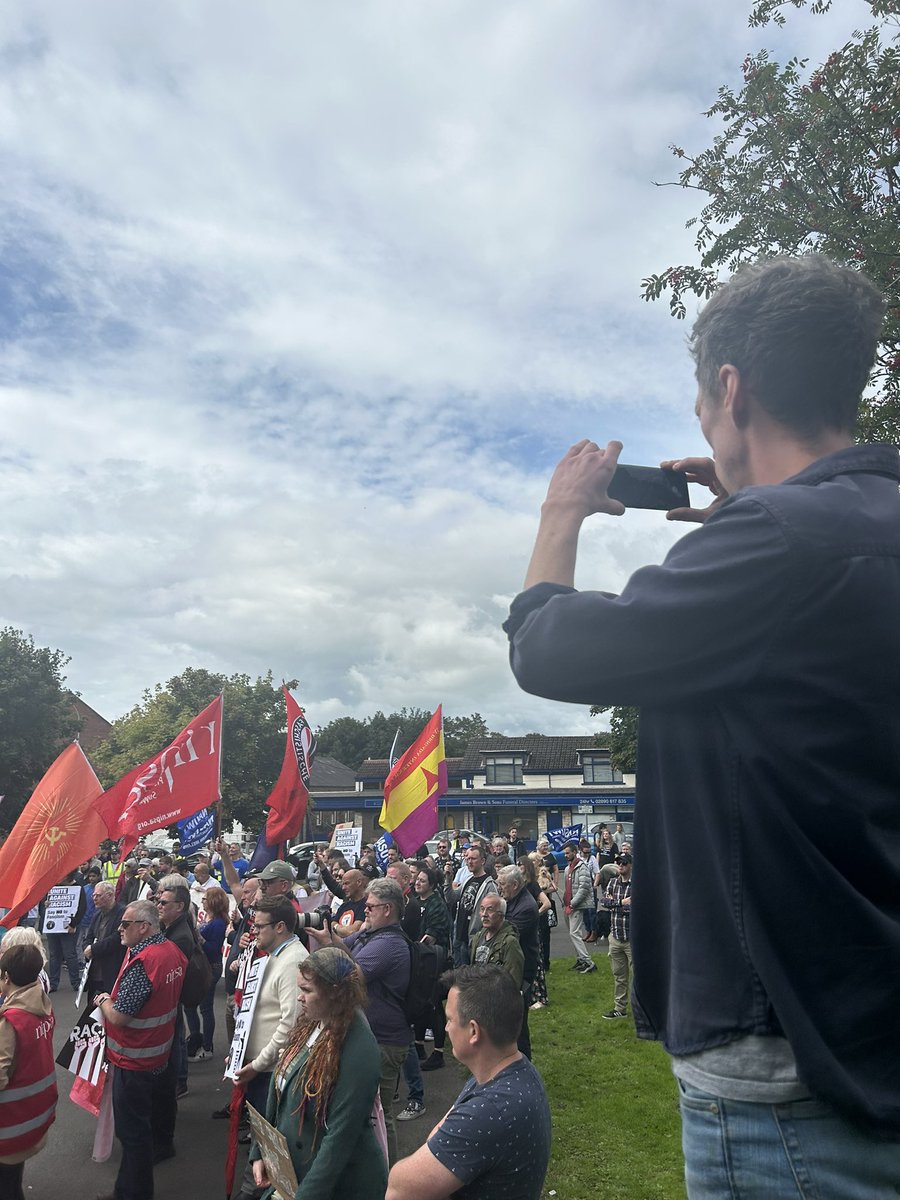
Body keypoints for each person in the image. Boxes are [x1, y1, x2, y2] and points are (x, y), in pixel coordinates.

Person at [504, 254, 900, 1194]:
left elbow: (548, 647)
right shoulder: (863, 520)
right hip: (868, 1012)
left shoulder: (774, 543)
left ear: (732, 388)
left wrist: (561, 516)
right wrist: (757, 509)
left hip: (779, 1057)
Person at [386, 964, 551, 1200]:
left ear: (473, 1031)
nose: (446, 1027)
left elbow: (399, 1189)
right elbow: (437, 1138)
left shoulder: (491, 1110)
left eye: (450, 1019)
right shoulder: (512, 1068)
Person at [248, 947, 387, 1199]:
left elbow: (340, 1137)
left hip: (337, 1185)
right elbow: (279, 1092)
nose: (300, 998)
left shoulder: (360, 1048)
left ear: (335, 993)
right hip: (297, 1172)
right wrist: (261, 1152)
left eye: (307, 990)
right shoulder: (312, 1022)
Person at [309, 877, 411, 1161]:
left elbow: (350, 975)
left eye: (370, 907)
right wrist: (328, 940)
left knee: (381, 1113)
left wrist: (326, 956)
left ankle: (387, 1176)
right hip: (374, 1035)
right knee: (369, 1109)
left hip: (385, 1041)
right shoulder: (371, 933)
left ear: (388, 909)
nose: (365, 911)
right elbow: (344, 945)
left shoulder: (388, 944)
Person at [94, 900, 187, 1200]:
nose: (119, 929)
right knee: (142, 1128)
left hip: (133, 1059)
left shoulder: (145, 962)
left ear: (144, 927)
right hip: (159, 1054)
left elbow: (121, 1016)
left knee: (133, 1135)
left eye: (125, 924)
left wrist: (103, 1000)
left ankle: (135, 1194)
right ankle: (126, 1189)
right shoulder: (171, 951)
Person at [230, 895, 308, 1200]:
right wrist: (240, 1052)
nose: (253, 931)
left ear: (280, 926)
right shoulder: (274, 955)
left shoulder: (292, 962)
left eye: (259, 926)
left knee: (270, 1144)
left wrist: (257, 1063)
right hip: (260, 1068)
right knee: (262, 1143)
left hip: (270, 1072)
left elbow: (289, 1026)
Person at [0, 943, 57, 1200]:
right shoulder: (42, 1004)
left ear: (7, 977)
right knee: (13, 1180)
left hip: (9, 1124)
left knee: (7, 1187)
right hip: (33, 1114)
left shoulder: (10, 1021)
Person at [186, 885, 228, 1059]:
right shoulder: (210, 920)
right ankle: (196, 1038)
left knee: (205, 1007)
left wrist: (199, 937)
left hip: (211, 967)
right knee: (190, 1006)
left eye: (205, 898)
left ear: (212, 902)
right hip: (203, 967)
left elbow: (213, 949)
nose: (202, 901)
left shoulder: (218, 923)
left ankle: (207, 1046)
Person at [600, 851, 633, 1020]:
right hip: (616, 937)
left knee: (640, 978)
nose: (621, 865)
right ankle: (620, 1008)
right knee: (619, 976)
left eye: (624, 862)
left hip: (633, 940)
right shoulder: (613, 882)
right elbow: (604, 902)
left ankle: (645, 1010)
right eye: (618, 862)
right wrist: (621, 903)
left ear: (631, 865)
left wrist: (617, 906)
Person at [82, 880, 126, 993]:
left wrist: (93, 949)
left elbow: (116, 938)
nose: (94, 898)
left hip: (111, 972)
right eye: (93, 895)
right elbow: (88, 937)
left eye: (98, 895)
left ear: (110, 895)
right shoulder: (97, 915)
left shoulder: (122, 913)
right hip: (94, 973)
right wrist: (86, 948)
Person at [45, 870, 86, 993]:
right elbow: (44, 907)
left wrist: (74, 924)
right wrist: (46, 904)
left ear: (68, 876)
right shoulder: (53, 888)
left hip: (69, 928)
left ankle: (75, 983)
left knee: (70, 955)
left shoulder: (78, 888)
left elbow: (82, 908)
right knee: (54, 955)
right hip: (53, 927)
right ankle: (53, 983)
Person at [560, 842, 595, 973]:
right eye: (564, 853)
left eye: (567, 853)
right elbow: (568, 888)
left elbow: (584, 888)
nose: (565, 855)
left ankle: (588, 961)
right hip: (568, 904)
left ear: (575, 852)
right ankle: (581, 959)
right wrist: (565, 901)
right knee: (575, 934)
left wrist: (573, 903)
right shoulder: (568, 868)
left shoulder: (582, 867)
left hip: (577, 906)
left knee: (574, 933)